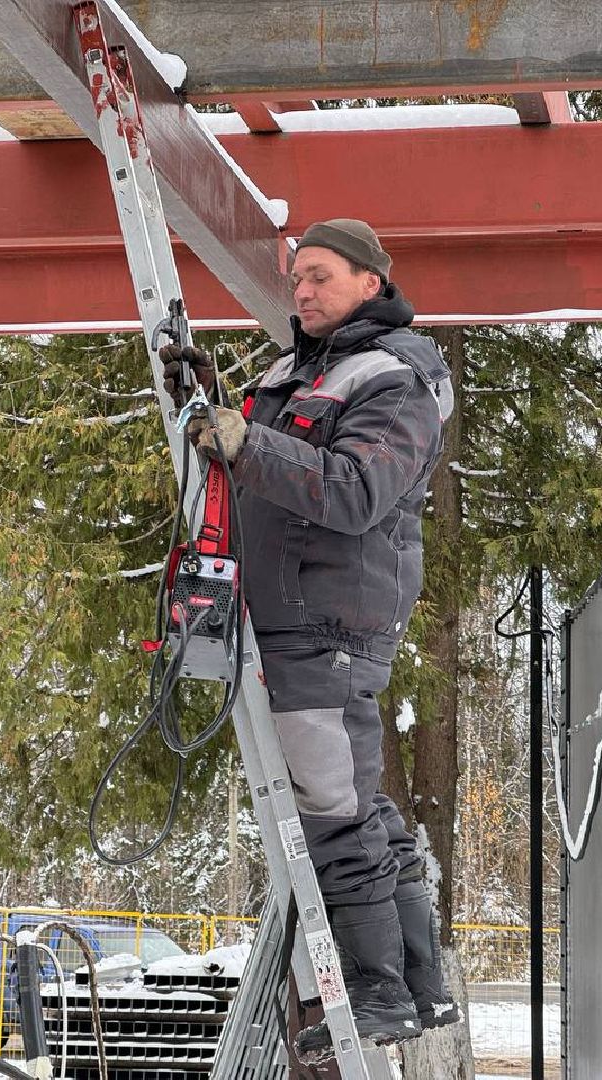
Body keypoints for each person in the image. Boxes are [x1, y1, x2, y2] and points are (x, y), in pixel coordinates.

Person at [159, 219, 459, 1062]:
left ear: (371, 282)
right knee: (360, 808)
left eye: (321, 275)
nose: (303, 290)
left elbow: (356, 490)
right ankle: (419, 987)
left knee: (330, 813)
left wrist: (246, 440)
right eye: (297, 278)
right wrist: (216, 401)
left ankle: (376, 993)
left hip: (325, 621)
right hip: (289, 614)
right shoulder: (301, 370)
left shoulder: (395, 377)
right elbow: (264, 458)